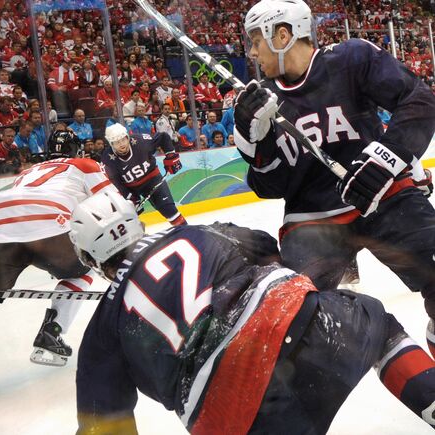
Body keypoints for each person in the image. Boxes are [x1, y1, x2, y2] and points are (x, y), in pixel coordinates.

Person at [69, 191, 435, 434]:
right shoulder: (201, 233)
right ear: (139, 224)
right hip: (301, 329)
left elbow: (104, 425)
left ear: (88, 260)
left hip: (231, 419)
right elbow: (265, 247)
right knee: (380, 329)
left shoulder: (104, 328)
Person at [234, 0, 435, 353]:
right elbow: (268, 186)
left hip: (381, 196)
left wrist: (386, 158)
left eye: (255, 40)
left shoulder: (351, 58)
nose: (251, 52)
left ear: (282, 35)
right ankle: (394, 356)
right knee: (295, 324)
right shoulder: (257, 103)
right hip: (311, 220)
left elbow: (419, 100)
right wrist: (257, 139)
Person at [0, 130, 119, 417]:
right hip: (50, 226)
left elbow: (21, 207)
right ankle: (52, 332)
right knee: (82, 270)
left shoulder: (27, 172)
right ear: (77, 150)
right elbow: (112, 205)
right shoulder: (84, 165)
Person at [101, 123, 186, 226]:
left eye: (123, 140)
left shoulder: (141, 141)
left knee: (169, 210)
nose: (122, 144)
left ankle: (188, 234)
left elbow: (163, 137)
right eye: (117, 142)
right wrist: (129, 197)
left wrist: (171, 156)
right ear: (111, 144)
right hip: (130, 188)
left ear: (128, 137)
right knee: (128, 222)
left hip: (152, 179)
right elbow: (115, 182)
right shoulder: (107, 159)